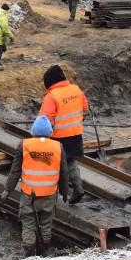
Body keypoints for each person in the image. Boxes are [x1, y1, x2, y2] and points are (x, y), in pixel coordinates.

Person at [0, 115, 69, 258]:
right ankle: (46, 248)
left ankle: (29, 253)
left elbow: (15, 170)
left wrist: (7, 190)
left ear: (33, 131)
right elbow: (64, 172)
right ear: (50, 132)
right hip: (49, 194)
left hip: (29, 195)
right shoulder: (58, 147)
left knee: (28, 222)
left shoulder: (24, 145)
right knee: (46, 223)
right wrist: (64, 192)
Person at [38, 65, 89, 204]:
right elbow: (85, 109)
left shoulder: (52, 96)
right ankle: (78, 189)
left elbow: (46, 120)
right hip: (76, 134)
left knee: (52, 164)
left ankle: (55, 194)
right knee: (71, 162)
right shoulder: (76, 90)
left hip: (58, 136)